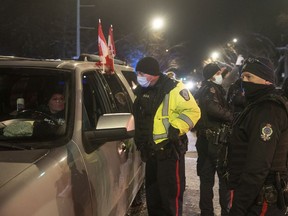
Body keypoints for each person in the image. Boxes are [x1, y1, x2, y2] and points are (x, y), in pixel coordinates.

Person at [133, 56, 201, 216]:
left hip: (169, 151)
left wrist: (176, 128)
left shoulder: (175, 88)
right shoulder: (143, 91)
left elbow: (193, 111)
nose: (139, 77)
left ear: (152, 73)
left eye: (142, 73)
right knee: (153, 197)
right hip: (151, 152)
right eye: (138, 73)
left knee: (170, 197)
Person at [227, 57, 288, 215]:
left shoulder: (268, 110)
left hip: (260, 198)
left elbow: (258, 165)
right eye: (242, 77)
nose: (244, 81)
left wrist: (239, 206)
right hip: (252, 195)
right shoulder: (255, 106)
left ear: (267, 80)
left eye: (249, 77)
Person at [194, 63, 233, 216]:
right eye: (217, 72)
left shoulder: (203, 89)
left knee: (206, 180)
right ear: (211, 75)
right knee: (222, 180)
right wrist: (231, 116)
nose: (220, 75)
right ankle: (224, 211)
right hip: (215, 143)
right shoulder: (210, 89)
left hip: (206, 141)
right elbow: (212, 108)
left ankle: (207, 212)